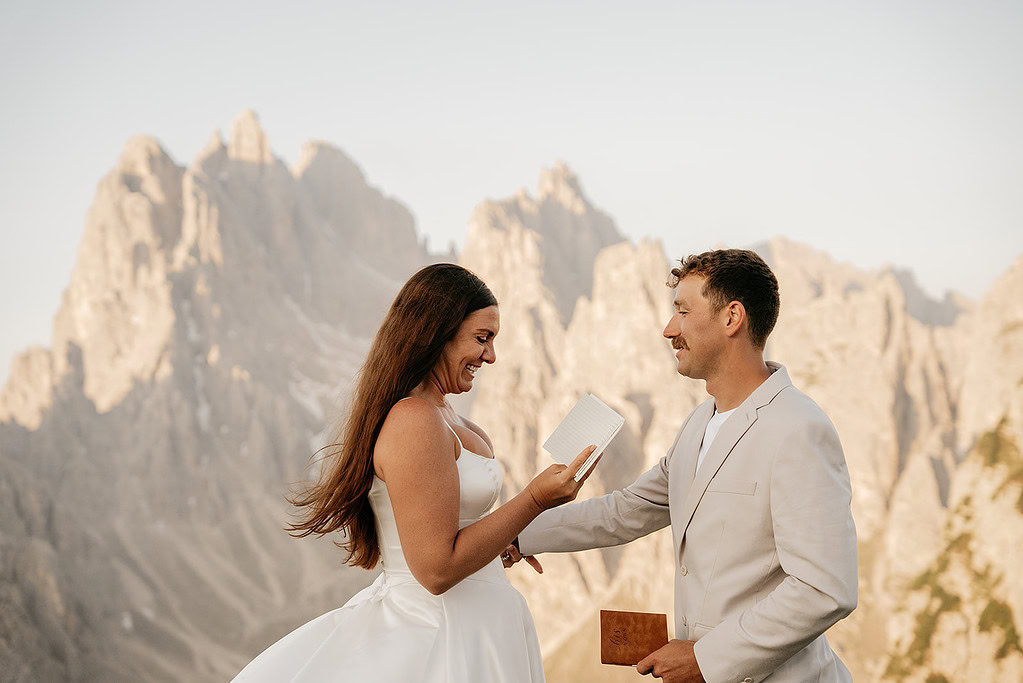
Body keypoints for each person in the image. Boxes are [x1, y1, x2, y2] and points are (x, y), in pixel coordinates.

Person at [231, 263, 597, 682]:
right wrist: (534, 499)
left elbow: (456, 531)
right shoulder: (414, 420)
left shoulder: (450, 417)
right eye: (482, 339)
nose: (491, 356)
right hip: (438, 634)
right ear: (437, 333)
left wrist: (498, 543)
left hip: (481, 626)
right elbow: (436, 569)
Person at [506, 249, 858, 683]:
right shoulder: (697, 424)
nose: (669, 329)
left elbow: (825, 589)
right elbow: (625, 511)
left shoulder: (799, 429)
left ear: (732, 318)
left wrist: (708, 658)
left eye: (683, 311)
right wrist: (514, 533)